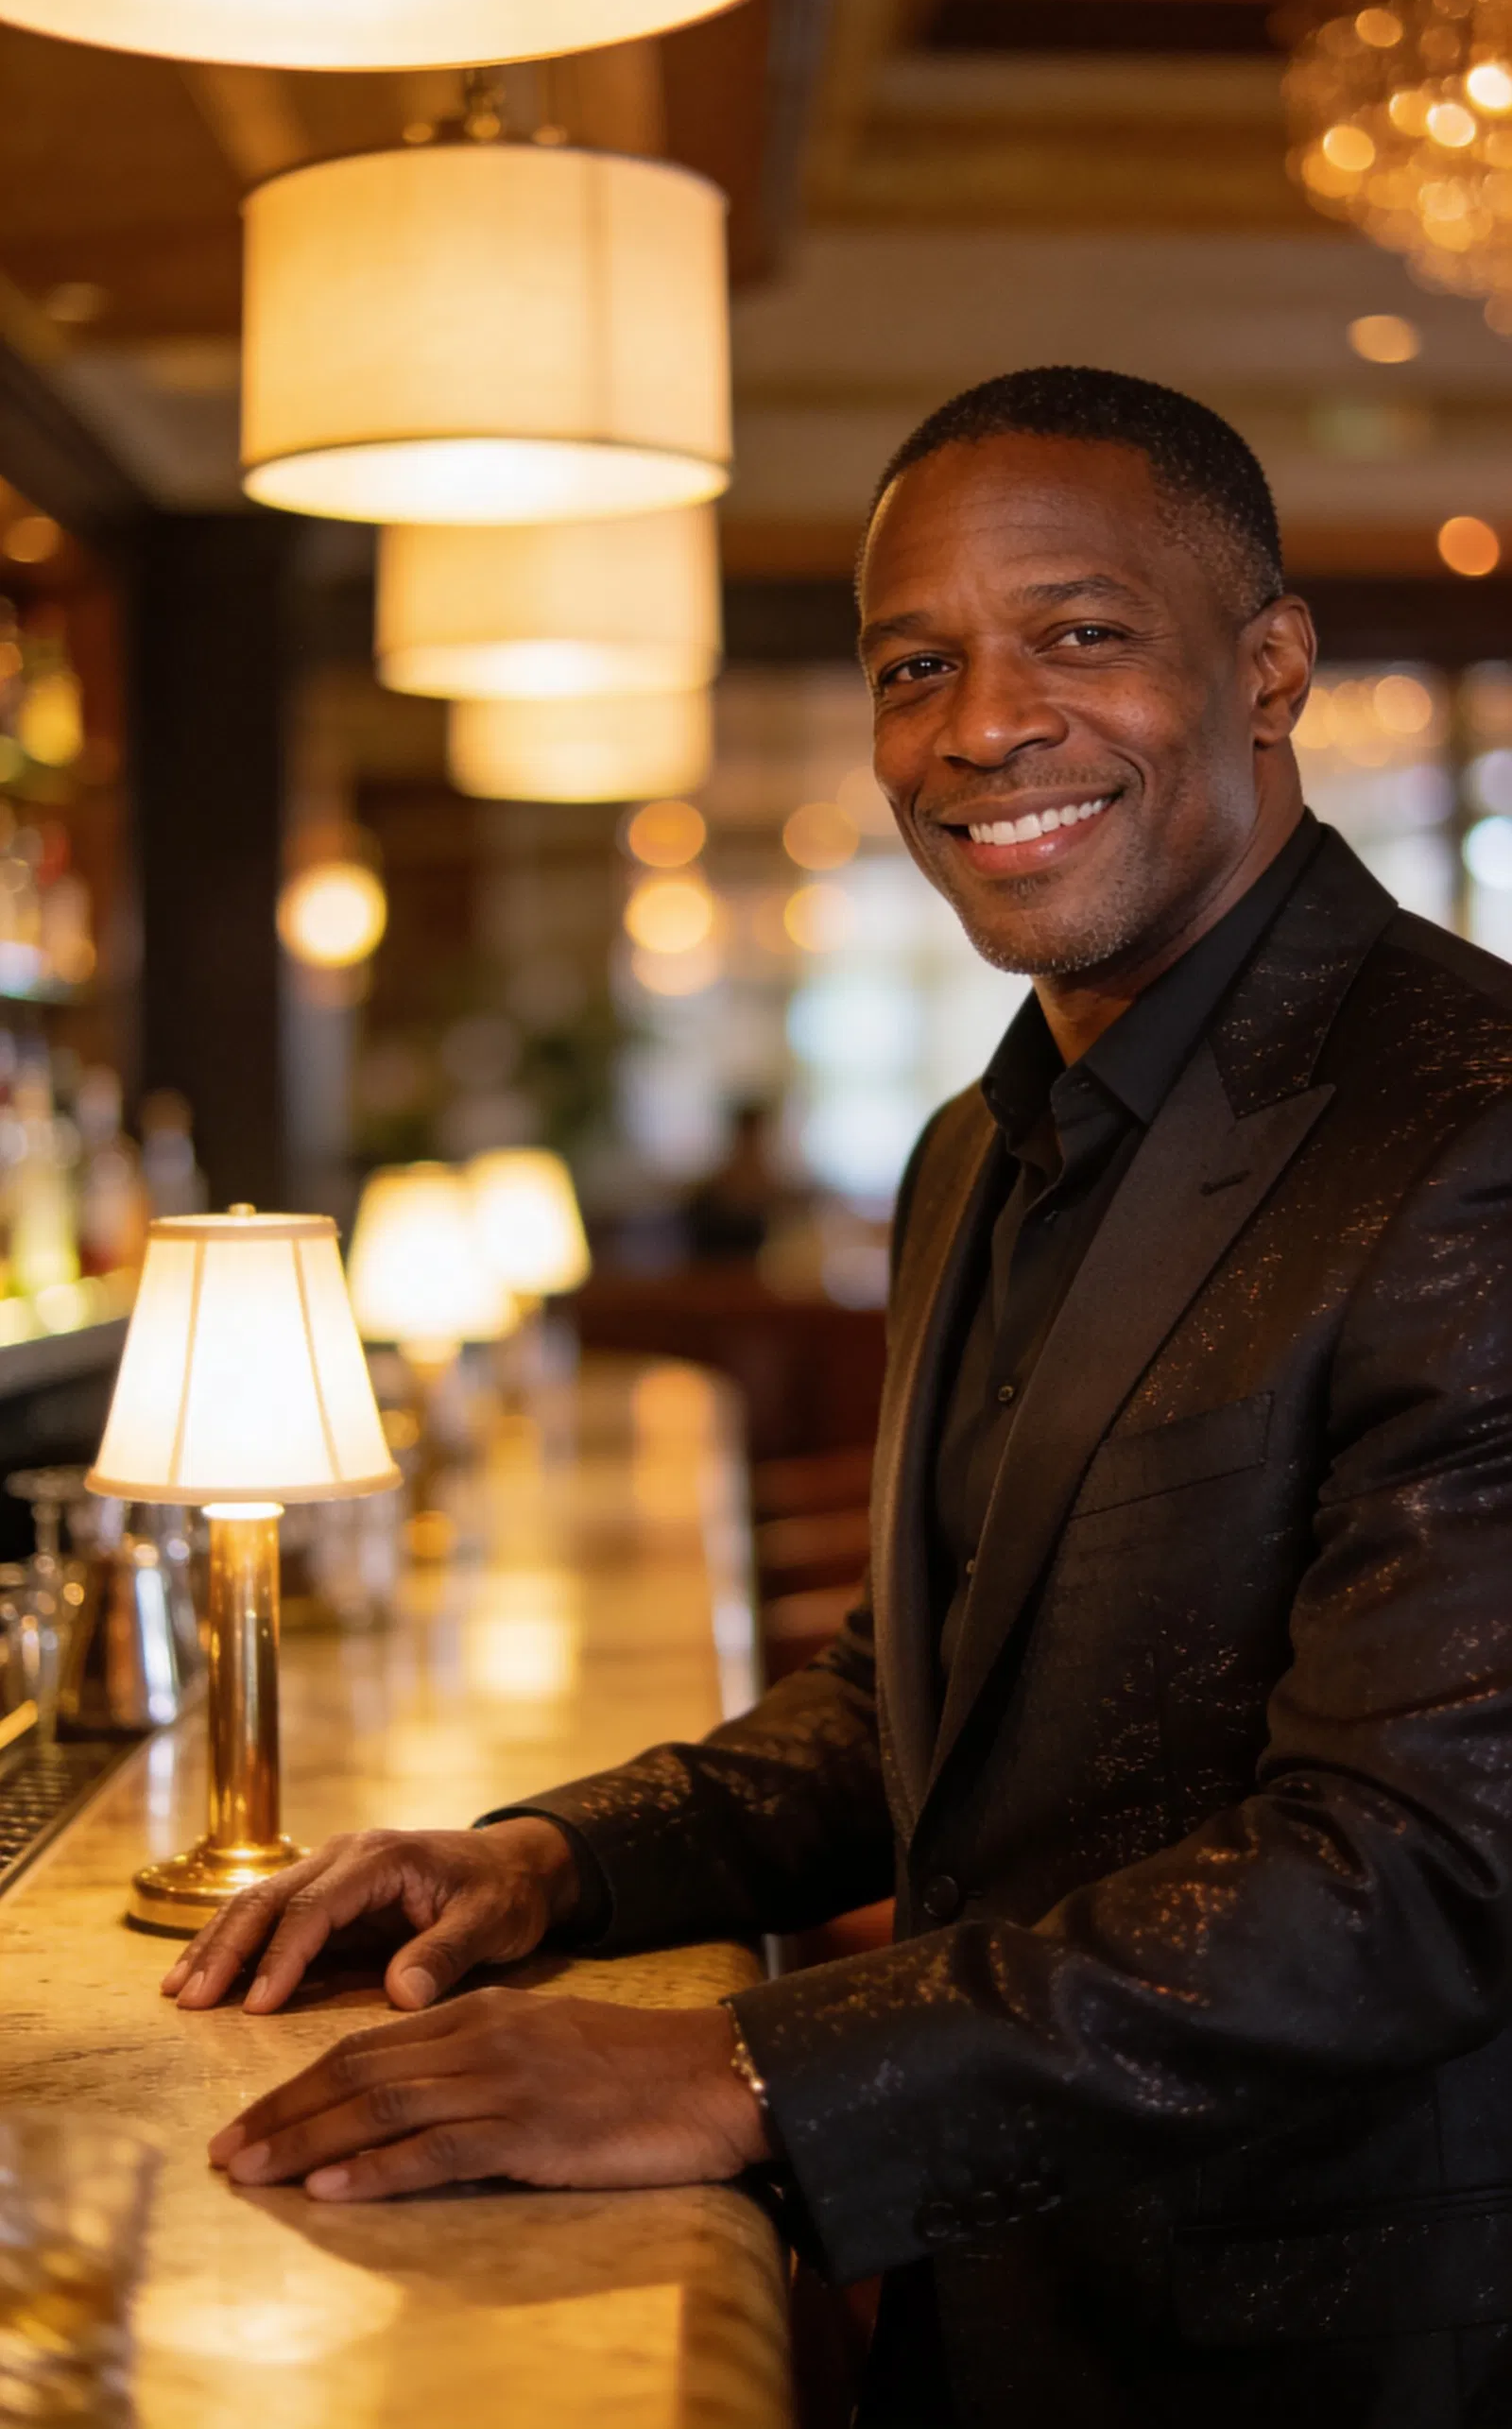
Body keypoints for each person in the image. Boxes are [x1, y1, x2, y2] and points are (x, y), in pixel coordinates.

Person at [163, 369, 1512, 2428]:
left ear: (1265, 668)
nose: (979, 727)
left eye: (1076, 634)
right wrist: (554, 1862)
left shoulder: (1465, 1123)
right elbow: (919, 1701)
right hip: (992, 2295)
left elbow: (1411, 1878)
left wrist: (741, 2064)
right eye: (917, 664)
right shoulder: (983, 1145)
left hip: (1332, 2340)